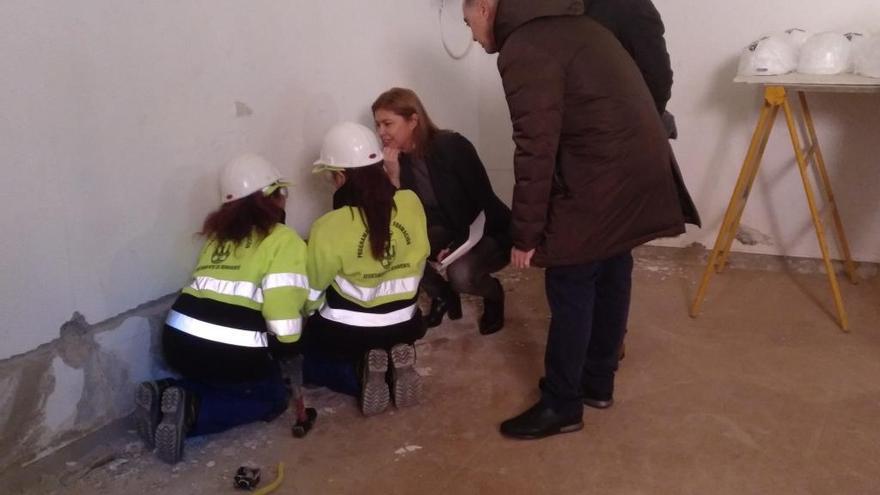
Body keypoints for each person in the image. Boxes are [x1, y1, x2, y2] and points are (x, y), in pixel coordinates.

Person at [463, 0, 697, 439]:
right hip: (638, 167)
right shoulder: (577, 26)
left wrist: (526, 234)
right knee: (611, 267)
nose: (473, 37)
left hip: (601, 174)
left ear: (486, 6)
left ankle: (562, 403)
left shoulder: (526, 46)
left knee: (570, 279)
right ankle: (598, 382)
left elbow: (535, 146)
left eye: (468, 22)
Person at [134, 154, 310, 463]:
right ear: (270, 198)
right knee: (268, 397)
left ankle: (164, 393)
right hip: (231, 352)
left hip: (177, 341)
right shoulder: (284, 240)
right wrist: (287, 351)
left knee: (214, 378)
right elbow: (282, 318)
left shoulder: (218, 237)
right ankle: (193, 413)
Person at [584, 0, 703, 360]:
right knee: (581, 252)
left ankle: (607, 341)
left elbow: (657, 78)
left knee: (615, 249)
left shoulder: (630, 6)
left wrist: (622, 125)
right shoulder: (564, 7)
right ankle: (591, 337)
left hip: (619, 146)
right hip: (576, 146)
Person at [304, 122, 430, 416]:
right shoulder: (411, 203)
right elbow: (423, 254)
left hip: (347, 332)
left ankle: (362, 372)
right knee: (386, 337)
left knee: (313, 363)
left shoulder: (328, 227)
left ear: (339, 177)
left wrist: (308, 318)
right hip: (405, 323)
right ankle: (393, 363)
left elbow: (313, 287)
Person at [372, 88, 512, 335]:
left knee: (461, 274)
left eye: (387, 124)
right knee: (401, 251)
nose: (381, 132)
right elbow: (401, 219)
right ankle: (444, 296)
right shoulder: (395, 160)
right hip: (444, 228)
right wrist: (392, 176)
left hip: (485, 228)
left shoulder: (453, 147)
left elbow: (482, 203)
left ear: (413, 121)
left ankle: (494, 294)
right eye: (378, 125)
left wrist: (457, 245)